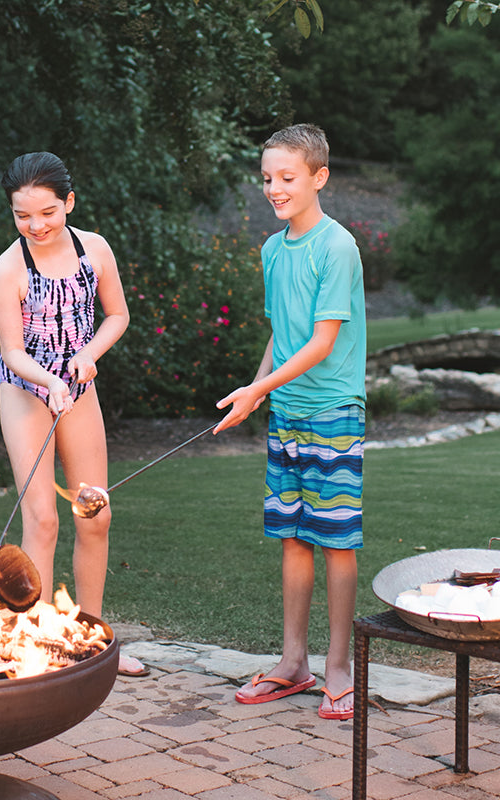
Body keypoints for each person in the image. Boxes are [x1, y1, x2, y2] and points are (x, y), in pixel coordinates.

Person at [214, 124, 366, 720]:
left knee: (336, 539)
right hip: (287, 413)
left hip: (332, 411)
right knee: (294, 536)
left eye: (287, 178)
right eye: (268, 179)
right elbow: (285, 333)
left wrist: (257, 388)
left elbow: (323, 343)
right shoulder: (273, 250)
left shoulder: (338, 247)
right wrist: (255, 395)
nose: (275, 189)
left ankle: (338, 666)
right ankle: (294, 661)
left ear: (318, 177)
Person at [0, 151, 147, 677]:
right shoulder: (9, 267)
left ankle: (91, 641)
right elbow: (13, 352)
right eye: (22, 215)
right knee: (43, 519)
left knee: (95, 514)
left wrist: (87, 356)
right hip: (25, 392)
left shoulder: (94, 249)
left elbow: (118, 315)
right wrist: (51, 378)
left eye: (47, 212)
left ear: (69, 203)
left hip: (78, 389)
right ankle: (33, 648)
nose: (35, 225)